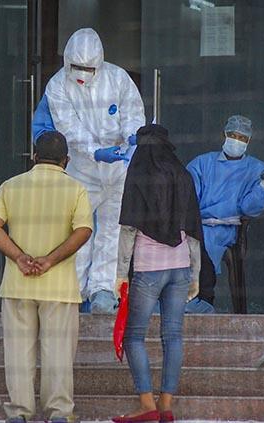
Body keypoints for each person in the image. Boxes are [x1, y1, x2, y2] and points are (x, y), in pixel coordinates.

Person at [32, 28, 146, 313]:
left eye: (89, 67)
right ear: (67, 61)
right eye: (77, 67)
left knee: (112, 230)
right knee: (80, 230)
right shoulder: (58, 86)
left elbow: (133, 115)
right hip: (82, 169)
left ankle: (103, 290)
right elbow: (68, 126)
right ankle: (75, 288)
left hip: (119, 168)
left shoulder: (118, 78)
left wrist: (131, 139)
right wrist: (95, 152)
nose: (83, 73)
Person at [0, 131, 93, 423]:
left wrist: (19, 257)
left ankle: (19, 412)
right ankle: (58, 412)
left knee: (18, 352)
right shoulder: (76, 189)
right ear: (65, 160)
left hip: (18, 284)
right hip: (59, 286)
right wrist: (50, 260)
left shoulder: (11, 186)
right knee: (57, 352)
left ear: (33, 157)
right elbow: (83, 230)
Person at [112, 124, 202, 423]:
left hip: (149, 268)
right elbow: (192, 231)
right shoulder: (183, 175)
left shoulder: (139, 174)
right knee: (173, 336)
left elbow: (128, 229)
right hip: (180, 267)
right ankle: (166, 406)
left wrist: (121, 273)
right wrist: (196, 274)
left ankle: (147, 404)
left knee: (134, 336)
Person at [186, 115, 264, 313]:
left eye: (242, 138)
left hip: (226, 229)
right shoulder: (202, 163)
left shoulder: (258, 169)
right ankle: (184, 303)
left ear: (249, 141)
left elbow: (250, 209)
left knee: (204, 257)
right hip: (196, 226)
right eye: (233, 135)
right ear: (224, 134)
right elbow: (187, 199)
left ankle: (201, 304)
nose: (237, 141)